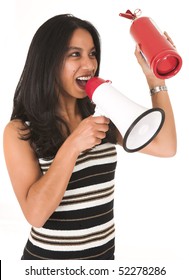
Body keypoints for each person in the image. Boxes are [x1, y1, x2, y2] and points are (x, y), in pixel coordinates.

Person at [3, 14, 176, 260]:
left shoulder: (103, 115)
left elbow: (166, 146)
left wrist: (155, 80)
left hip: (103, 262)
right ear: (48, 61)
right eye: (75, 54)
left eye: (92, 53)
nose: (89, 65)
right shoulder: (20, 131)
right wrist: (72, 145)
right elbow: (35, 215)